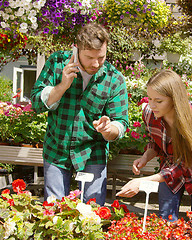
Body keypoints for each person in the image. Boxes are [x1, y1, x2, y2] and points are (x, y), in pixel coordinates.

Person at [31, 23, 129, 206]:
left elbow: (121, 122)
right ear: (77, 49)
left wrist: (109, 129)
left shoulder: (114, 78)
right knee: (53, 213)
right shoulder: (57, 62)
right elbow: (36, 103)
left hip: (93, 153)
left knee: (93, 214)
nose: (95, 63)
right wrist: (62, 87)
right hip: (56, 150)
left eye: (101, 57)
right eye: (89, 57)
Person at [116, 69, 192, 221]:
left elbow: (184, 163)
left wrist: (142, 181)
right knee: (166, 221)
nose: (152, 105)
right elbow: (154, 141)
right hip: (170, 169)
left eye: (158, 101)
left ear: (174, 99)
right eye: (149, 99)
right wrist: (146, 157)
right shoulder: (149, 114)